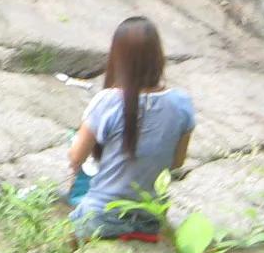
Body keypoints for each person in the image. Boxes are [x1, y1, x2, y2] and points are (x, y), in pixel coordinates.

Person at [66, 16, 196, 239]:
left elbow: (76, 157)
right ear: (158, 56)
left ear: (118, 57)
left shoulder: (108, 101)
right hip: (149, 219)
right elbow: (176, 162)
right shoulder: (181, 103)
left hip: (101, 217)